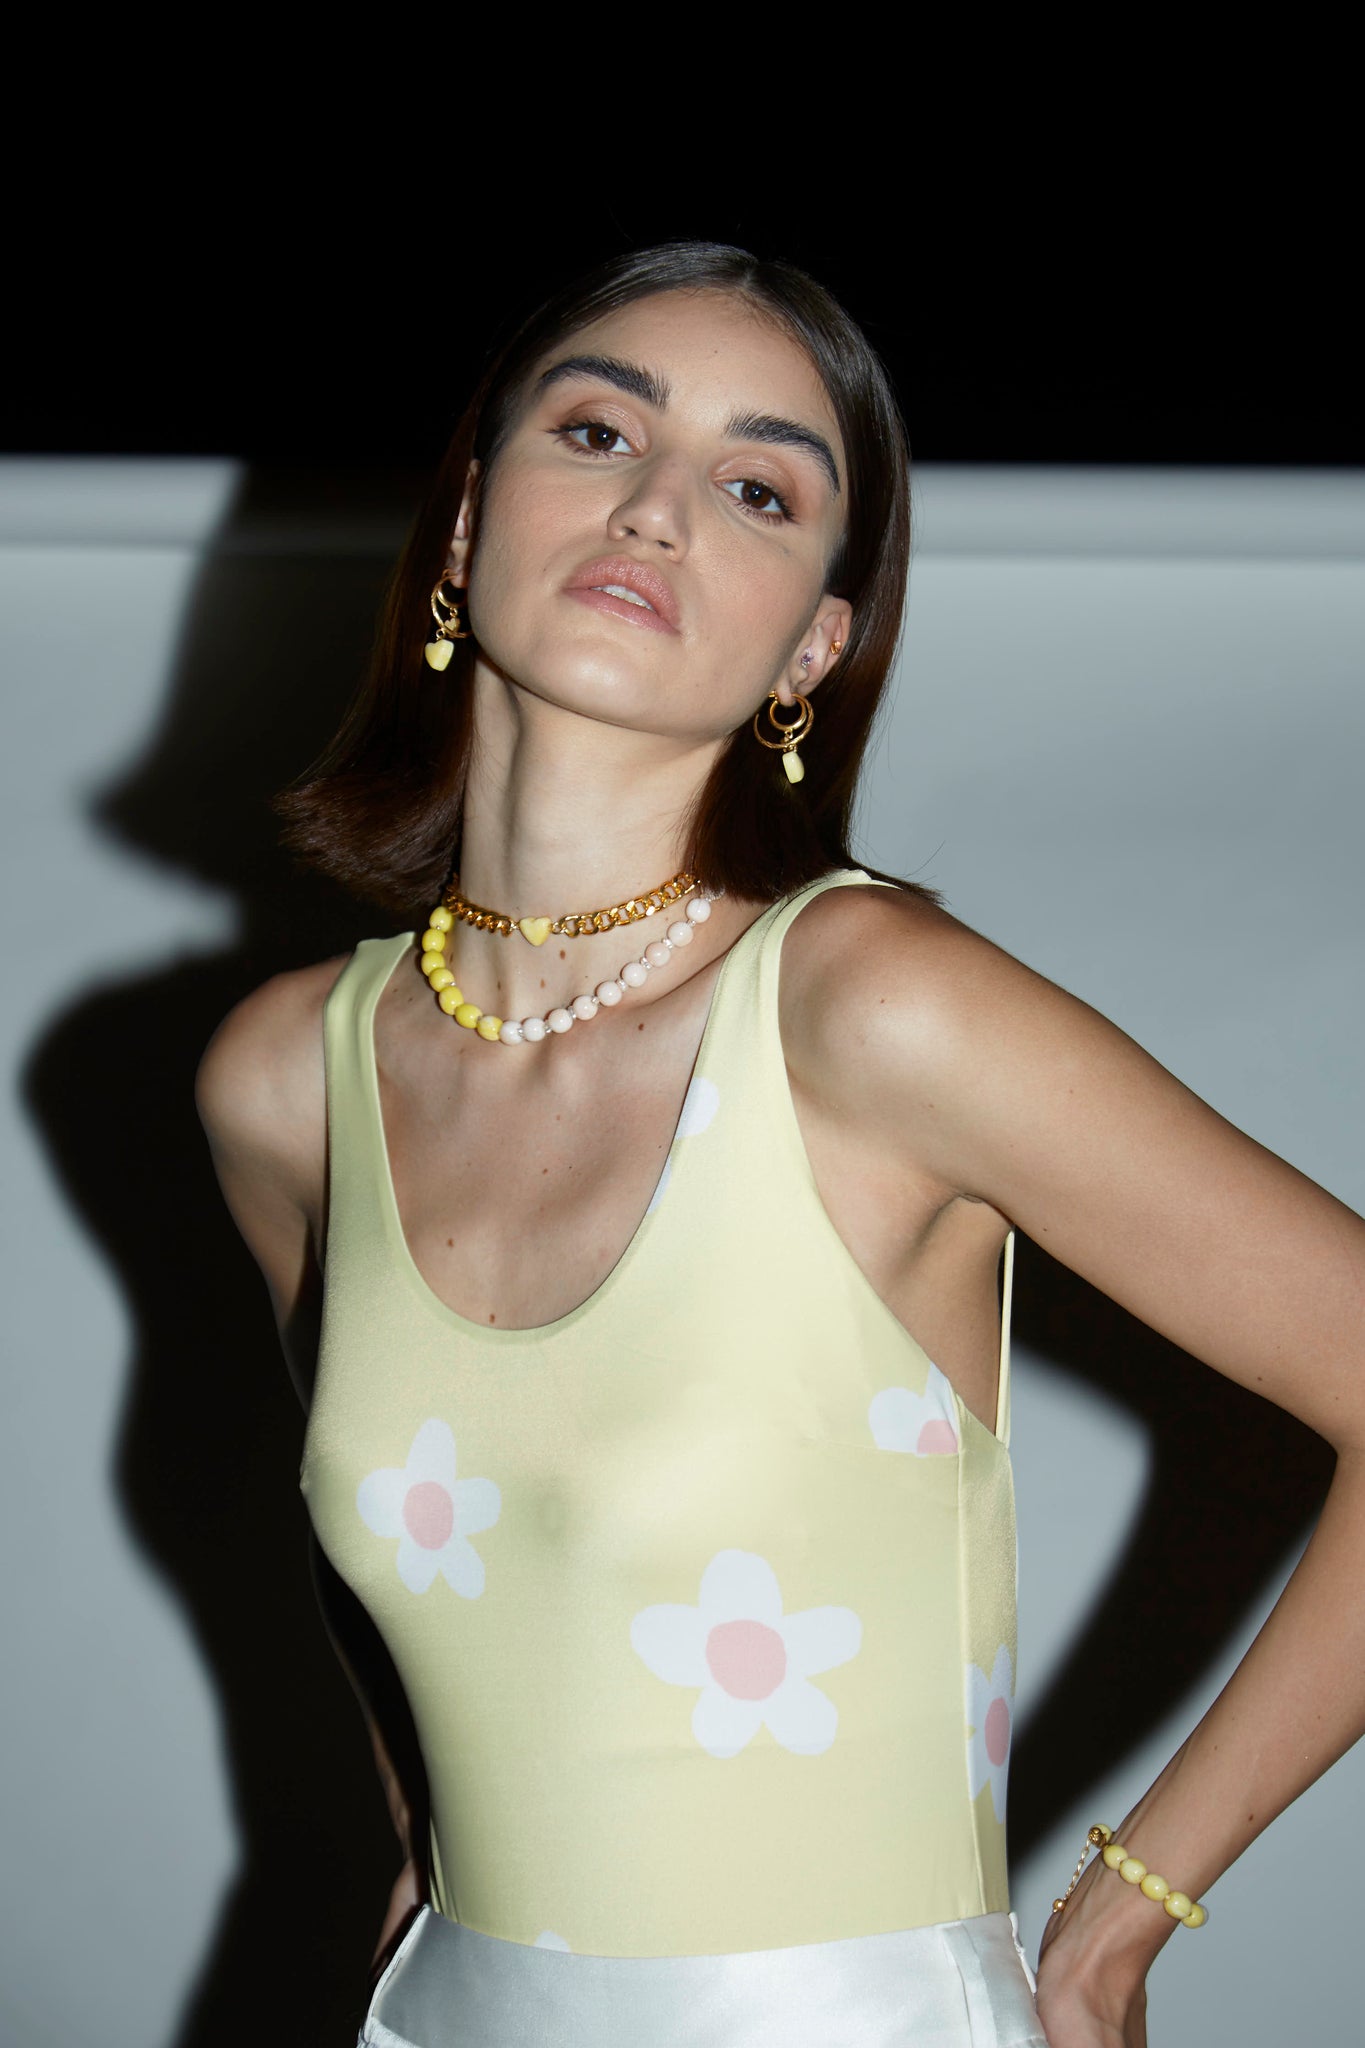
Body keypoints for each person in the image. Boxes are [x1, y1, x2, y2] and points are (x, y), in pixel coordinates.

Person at [196, 243, 1365, 2048]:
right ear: (467, 520)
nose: (655, 508)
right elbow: (417, 1556)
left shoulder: (866, 1006)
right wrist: (424, 1843)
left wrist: (1117, 1927)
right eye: (598, 432)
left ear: (812, 641)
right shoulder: (285, 1081)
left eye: (757, 487)